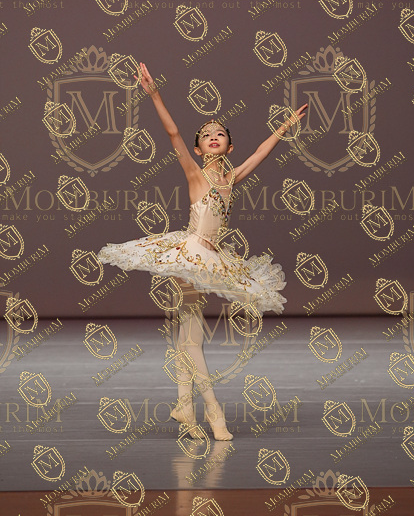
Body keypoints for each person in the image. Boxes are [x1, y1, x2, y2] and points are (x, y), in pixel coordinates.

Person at [97, 62, 307, 440]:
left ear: (229, 146)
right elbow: (173, 133)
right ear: (198, 148)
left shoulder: (233, 177)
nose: (213, 136)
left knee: (187, 335)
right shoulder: (195, 173)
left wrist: (285, 126)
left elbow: (261, 152)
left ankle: (184, 406)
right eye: (206, 135)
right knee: (193, 338)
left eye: (220, 133)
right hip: (189, 254)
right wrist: (154, 93)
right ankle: (213, 411)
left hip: (212, 255)